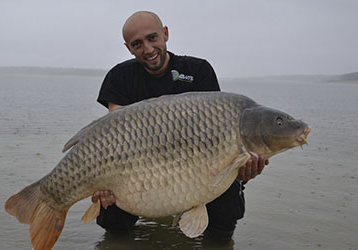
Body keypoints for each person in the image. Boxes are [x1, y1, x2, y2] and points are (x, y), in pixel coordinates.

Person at [93, 11, 268, 241]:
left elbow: (219, 132)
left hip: (197, 160)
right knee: (112, 216)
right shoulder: (119, 77)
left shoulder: (198, 71)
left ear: (165, 34)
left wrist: (241, 168)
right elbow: (115, 135)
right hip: (138, 164)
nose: (148, 49)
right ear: (128, 48)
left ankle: (219, 240)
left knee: (228, 199)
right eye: (137, 44)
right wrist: (99, 180)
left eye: (152, 38)